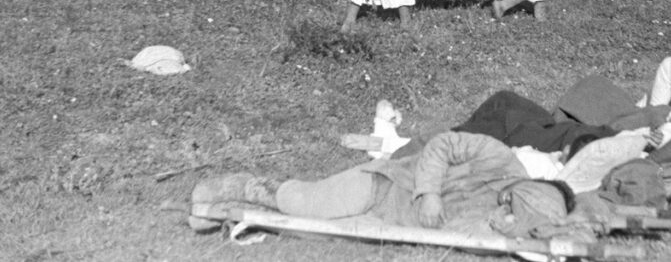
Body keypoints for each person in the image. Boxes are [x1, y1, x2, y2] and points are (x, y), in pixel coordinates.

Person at [188, 131, 576, 240]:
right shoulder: (498, 158)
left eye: (517, 213)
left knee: (311, 234)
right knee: (304, 205)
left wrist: (496, 225)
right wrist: (428, 193)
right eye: (517, 200)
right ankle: (242, 185)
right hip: (383, 184)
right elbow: (441, 144)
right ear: (531, 183)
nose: (507, 207)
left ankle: (230, 217)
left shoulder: (499, 229)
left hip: (388, 223)